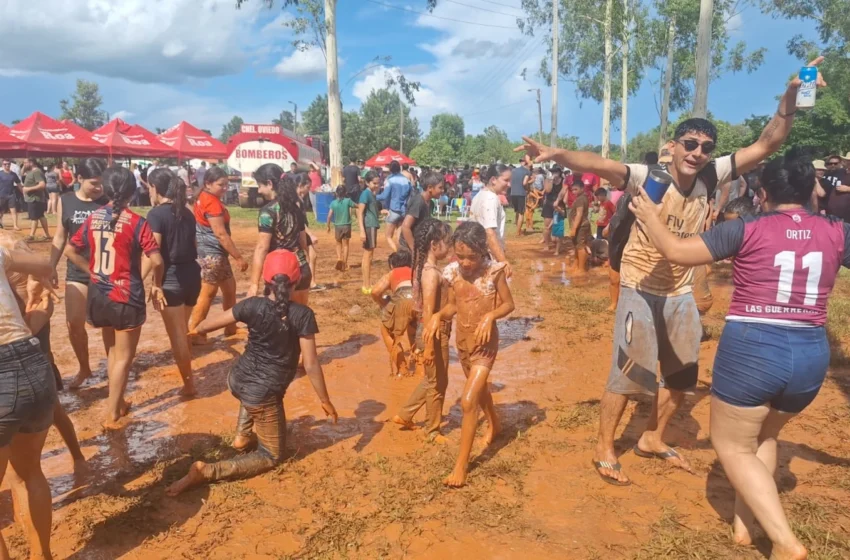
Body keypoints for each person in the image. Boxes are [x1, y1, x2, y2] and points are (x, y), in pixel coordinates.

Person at [515, 56, 825, 487]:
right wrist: (557, 154)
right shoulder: (648, 176)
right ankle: (604, 447)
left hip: (679, 291)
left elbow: (766, 144)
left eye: (705, 147)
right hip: (639, 286)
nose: (698, 153)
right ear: (674, 145)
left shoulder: (712, 175)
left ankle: (652, 438)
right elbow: (597, 164)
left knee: (681, 379)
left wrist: (789, 99)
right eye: (690, 144)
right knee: (628, 375)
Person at [630, 148, 847, 560]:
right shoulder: (837, 230)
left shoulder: (746, 229)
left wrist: (650, 217)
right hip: (810, 354)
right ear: (811, 189)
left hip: (753, 349)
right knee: (765, 435)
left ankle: (785, 543)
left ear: (762, 192)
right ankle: (745, 526)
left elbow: (676, 251)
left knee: (732, 447)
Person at [167, 249, 338, 496]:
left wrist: (192, 331)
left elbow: (207, 325)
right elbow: (310, 364)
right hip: (262, 393)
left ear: (266, 280)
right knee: (272, 455)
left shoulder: (251, 305)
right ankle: (207, 471)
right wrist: (325, 400)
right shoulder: (303, 315)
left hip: (237, 379)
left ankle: (241, 437)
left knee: (255, 391)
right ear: (297, 280)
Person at [66, 165, 166, 429]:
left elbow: (70, 250)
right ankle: (112, 414)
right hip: (125, 296)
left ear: (106, 189)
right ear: (133, 191)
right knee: (123, 358)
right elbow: (156, 260)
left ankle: (118, 401)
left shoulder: (93, 217)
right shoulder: (137, 222)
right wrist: (157, 285)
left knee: (112, 352)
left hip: (99, 295)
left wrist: (93, 272)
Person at [424, 221, 514, 487]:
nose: (465, 263)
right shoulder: (453, 273)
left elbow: (509, 304)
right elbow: (453, 306)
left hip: (485, 345)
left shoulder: (493, 272)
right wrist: (437, 316)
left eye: (471, 257)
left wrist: (490, 316)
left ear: (483, 252)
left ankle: (461, 467)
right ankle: (495, 425)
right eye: (459, 256)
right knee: (480, 390)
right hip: (462, 342)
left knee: (467, 400)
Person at [0, 244, 61, 560]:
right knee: (29, 473)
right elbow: (43, 262)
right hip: (33, 361)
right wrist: (40, 280)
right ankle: (43, 556)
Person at [49, 158, 109, 389]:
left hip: (104, 271)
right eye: (94, 183)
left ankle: (115, 367)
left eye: (101, 183)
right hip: (77, 272)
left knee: (108, 326)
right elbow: (60, 236)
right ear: (80, 179)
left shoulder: (107, 201)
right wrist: (51, 265)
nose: (99, 188)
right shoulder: (66, 201)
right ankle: (84, 368)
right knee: (73, 323)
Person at [393, 219, 454, 438]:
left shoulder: (424, 268)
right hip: (434, 333)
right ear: (434, 244)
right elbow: (429, 313)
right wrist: (428, 347)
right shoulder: (431, 274)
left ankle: (405, 414)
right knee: (437, 383)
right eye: (448, 243)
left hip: (429, 332)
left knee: (434, 379)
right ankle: (433, 430)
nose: (450, 248)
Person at [145, 168, 199, 397]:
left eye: (149, 187)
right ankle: (187, 379)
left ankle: (189, 386)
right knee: (182, 332)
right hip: (192, 276)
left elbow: (154, 254)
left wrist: (151, 283)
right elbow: (195, 246)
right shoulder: (187, 212)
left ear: (155, 188)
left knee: (177, 337)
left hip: (171, 279)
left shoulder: (156, 214)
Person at [188, 166, 248, 344]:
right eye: (221, 184)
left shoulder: (205, 197)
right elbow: (220, 234)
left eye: (227, 184)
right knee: (208, 292)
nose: (225, 188)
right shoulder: (211, 202)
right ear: (208, 183)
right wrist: (238, 257)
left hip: (215, 254)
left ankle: (230, 327)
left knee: (230, 290)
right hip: (212, 254)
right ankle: (195, 331)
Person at [247, 165, 312, 305]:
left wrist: (254, 284)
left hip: (278, 272)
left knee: (276, 319)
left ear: (270, 184)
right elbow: (303, 242)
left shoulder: (267, 212)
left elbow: (262, 248)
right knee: (299, 317)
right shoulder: (297, 207)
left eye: (260, 186)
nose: (259, 190)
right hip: (300, 269)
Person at [371, 251, 417, 377]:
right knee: (415, 333)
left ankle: (402, 370)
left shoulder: (393, 272)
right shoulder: (416, 271)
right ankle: (420, 368)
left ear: (392, 265)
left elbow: (375, 291)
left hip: (402, 298)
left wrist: (383, 303)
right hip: (420, 301)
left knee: (387, 330)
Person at [470, 164, 511, 277]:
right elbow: (489, 232)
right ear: (493, 180)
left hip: (477, 253)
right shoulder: (491, 198)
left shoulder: (479, 195)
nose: (509, 184)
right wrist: (502, 261)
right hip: (487, 257)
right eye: (506, 180)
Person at [399, 171, 444, 253]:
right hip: (408, 247)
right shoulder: (418, 202)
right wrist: (414, 249)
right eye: (440, 188)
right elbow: (405, 227)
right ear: (430, 188)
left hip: (419, 244)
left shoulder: (431, 203)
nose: (442, 190)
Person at [376, 161, 412, 253]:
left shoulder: (389, 180)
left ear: (390, 169)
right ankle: (403, 255)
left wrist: (373, 196)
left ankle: (397, 254)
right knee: (399, 238)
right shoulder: (407, 180)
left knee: (388, 236)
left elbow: (384, 196)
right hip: (404, 211)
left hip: (394, 210)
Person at [358, 171, 381, 294]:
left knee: (368, 256)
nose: (377, 185)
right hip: (369, 227)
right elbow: (360, 213)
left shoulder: (371, 194)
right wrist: (362, 230)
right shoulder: (365, 194)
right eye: (374, 183)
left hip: (372, 225)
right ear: (367, 183)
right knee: (368, 256)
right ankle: (366, 285)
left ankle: (366, 284)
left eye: (378, 183)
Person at [326, 186, 356, 272]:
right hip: (347, 226)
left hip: (337, 226)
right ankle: (345, 264)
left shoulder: (333, 203)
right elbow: (356, 206)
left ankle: (339, 259)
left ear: (336, 193)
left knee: (338, 243)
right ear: (345, 193)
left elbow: (329, 216)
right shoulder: (348, 201)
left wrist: (328, 226)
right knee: (346, 245)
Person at [22, 159, 50, 242]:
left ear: (31, 163)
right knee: (41, 216)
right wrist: (24, 166)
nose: (24, 164)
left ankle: (31, 235)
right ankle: (47, 235)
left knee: (34, 217)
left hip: (35, 198)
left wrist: (28, 189)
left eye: (25, 163)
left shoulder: (36, 172)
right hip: (34, 198)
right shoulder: (31, 171)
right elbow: (21, 173)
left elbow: (42, 185)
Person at [567, 180, 591, 276]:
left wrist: (574, 228)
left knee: (581, 247)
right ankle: (577, 264)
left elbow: (579, 214)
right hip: (578, 226)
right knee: (577, 246)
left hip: (581, 226)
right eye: (572, 190)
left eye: (576, 189)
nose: (574, 192)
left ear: (582, 188)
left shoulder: (581, 199)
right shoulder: (580, 198)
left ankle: (581, 268)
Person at [540, 166, 564, 247]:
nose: (554, 173)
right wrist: (551, 180)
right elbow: (548, 190)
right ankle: (546, 245)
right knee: (547, 226)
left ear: (559, 172)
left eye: (556, 172)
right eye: (552, 172)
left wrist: (558, 202)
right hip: (549, 204)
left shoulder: (563, 181)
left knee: (557, 226)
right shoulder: (548, 180)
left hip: (559, 204)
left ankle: (557, 244)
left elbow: (563, 192)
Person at [509, 156, 533, 235]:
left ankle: (518, 229)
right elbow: (524, 183)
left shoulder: (513, 170)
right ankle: (518, 232)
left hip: (513, 193)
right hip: (521, 193)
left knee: (516, 212)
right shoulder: (526, 171)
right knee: (521, 213)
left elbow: (510, 182)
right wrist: (530, 182)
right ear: (526, 163)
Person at [0, 159, 22, 230]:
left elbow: (19, 184)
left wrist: (23, 192)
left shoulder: (13, 174)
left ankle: (15, 225)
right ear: (2, 165)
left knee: (13, 210)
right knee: (1, 211)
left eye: (8, 164)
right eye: (5, 164)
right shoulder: (0, 173)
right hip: (1, 195)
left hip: (11, 195)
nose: (7, 165)